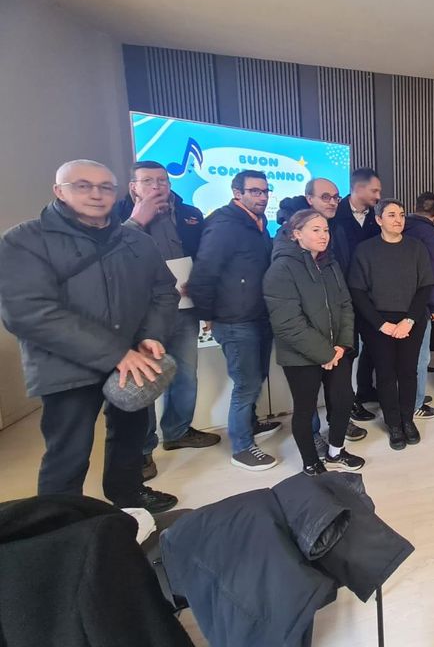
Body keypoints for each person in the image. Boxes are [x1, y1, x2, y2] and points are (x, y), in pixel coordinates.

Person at [0, 159, 179, 512]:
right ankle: (61, 520)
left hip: (134, 362)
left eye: (105, 187)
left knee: (130, 437)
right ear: (59, 191)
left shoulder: (136, 241)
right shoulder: (25, 240)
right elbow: (28, 312)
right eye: (82, 186)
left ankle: (128, 494)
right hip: (65, 366)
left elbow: (163, 292)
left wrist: (151, 335)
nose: (96, 194)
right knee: (68, 450)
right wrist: (116, 353)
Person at [115, 161, 219, 483]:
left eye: (162, 180)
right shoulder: (118, 216)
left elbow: (204, 255)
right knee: (145, 382)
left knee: (186, 374)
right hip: (141, 314)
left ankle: (177, 431)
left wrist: (197, 286)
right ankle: (143, 449)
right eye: (148, 181)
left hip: (184, 308)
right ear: (133, 186)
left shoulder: (191, 214)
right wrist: (137, 220)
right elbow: (112, 260)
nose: (157, 186)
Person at [188, 169, 280, 471]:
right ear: (237, 193)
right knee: (246, 383)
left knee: (256, 377)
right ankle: (241, 447)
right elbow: (203, 273)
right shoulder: (224, 224)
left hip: (259, 315)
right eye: (255, 191)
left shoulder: (258, 223)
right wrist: (207, 315)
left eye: (265, 191)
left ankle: (250, 424)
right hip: (235, 320)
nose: (262, 197)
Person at [263, 209, 363, 476]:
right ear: (297, 234)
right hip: (301, 355)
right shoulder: (281, 269)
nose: (323, 235)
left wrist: (341, 346)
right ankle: (310, 462)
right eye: (316, 230)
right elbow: (288, 323)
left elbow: (345, 305)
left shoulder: (330, 264)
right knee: (305, 409)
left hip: (337, 350)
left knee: (343, 399)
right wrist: (325, 353)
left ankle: (335, 452)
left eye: (326, 230)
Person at [348, 199, 434, 450]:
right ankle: (393, 423)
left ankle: (407, 419)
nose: (398, 219)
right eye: (392, 215)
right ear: (378, 220)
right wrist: (381, 324)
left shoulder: (416, 248)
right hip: (378, 323)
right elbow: (357, 291)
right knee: (385, 374)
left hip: (411, 319)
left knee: (408, 372)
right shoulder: (365, 250)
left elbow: (425, 286)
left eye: (402, 214)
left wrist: (409, 320)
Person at [337, 168, 384, 422]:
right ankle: (350, 401)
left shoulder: (375, 219)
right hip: (344, 298)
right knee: (349, 352)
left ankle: (365, 389)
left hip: (371, 296)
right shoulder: (335, 216)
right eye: (375, 190)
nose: (378, 196)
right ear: (358, 188)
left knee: (373, 347)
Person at [403, 191, 434, 420]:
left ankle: (409, 395)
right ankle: (416, 403)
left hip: (398, 300)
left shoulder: (402, 226)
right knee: (421, 357)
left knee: (404, 355)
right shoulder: (430, 233)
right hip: (421, 302)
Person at [276, 177, 352, 273]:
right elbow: (283, 269)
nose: (333, 203)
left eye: (336, 198)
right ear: (310, 199)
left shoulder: (337, 227)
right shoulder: (289, 229)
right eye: (325, 197)